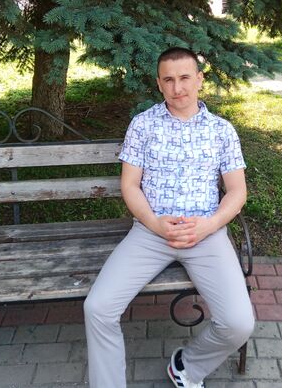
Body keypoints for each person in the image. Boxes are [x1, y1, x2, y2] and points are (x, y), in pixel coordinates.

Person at [84, 47, 255, 388]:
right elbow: (130, 185)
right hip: (151, 232)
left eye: (185, 78)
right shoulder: (143, 125)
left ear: (200, 80)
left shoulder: (221, 130)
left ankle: (187, 367)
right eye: (169, 80)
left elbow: (237, 191)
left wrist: (209, 225)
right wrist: (154, 223)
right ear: (159, 84)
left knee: (239, 323)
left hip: (206, 233)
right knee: (98, 308)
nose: (178, 88)